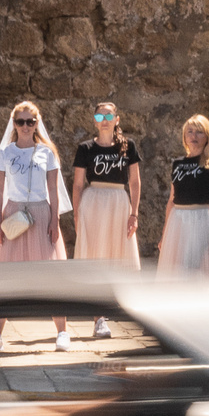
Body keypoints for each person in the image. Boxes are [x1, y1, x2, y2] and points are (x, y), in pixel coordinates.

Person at [0, 99, 71, 353]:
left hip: (41, 213)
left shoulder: (47, 152)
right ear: (14, 123)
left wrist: (55, 220)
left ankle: (63, 332)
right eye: (21, 121)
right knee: (5, 276)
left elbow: (54, 191)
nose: (25, 125)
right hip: (14, 213)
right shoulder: (5, 153)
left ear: (37, 124)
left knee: (51, 274)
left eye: (30, 121)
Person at [68, 101, 141, 340]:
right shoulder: (86, 148)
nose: (104, 121)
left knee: (119, 256)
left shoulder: (128, 146)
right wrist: (77, 215)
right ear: (94, 122)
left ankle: (124, 310)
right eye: (99, 117)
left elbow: (135, 182)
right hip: (94, 203)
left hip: (119, 202)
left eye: (108, 115)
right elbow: (78, 185)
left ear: (117, 119)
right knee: (96, 257)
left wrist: (134, 213)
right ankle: (99, 319)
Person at [157, 112, 209, 291]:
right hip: (178, 221)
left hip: (202, 220)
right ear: (184, 136)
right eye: (190, 131)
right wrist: (165, 233)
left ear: (207, 136)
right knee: (177, 272)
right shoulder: (178, 163)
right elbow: (171, 200)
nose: (194, 136)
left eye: (199, 132)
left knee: (197, 271)